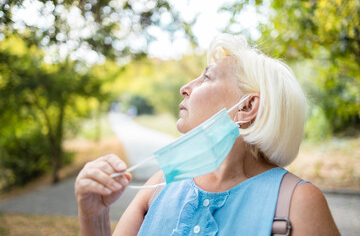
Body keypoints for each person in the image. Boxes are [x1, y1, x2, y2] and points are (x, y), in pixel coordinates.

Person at [75, 34, 340, 235]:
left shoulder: (299, 201)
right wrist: (94, 217)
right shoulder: (157, 186)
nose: (184, 88)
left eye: (206, 78)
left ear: (246, 107)